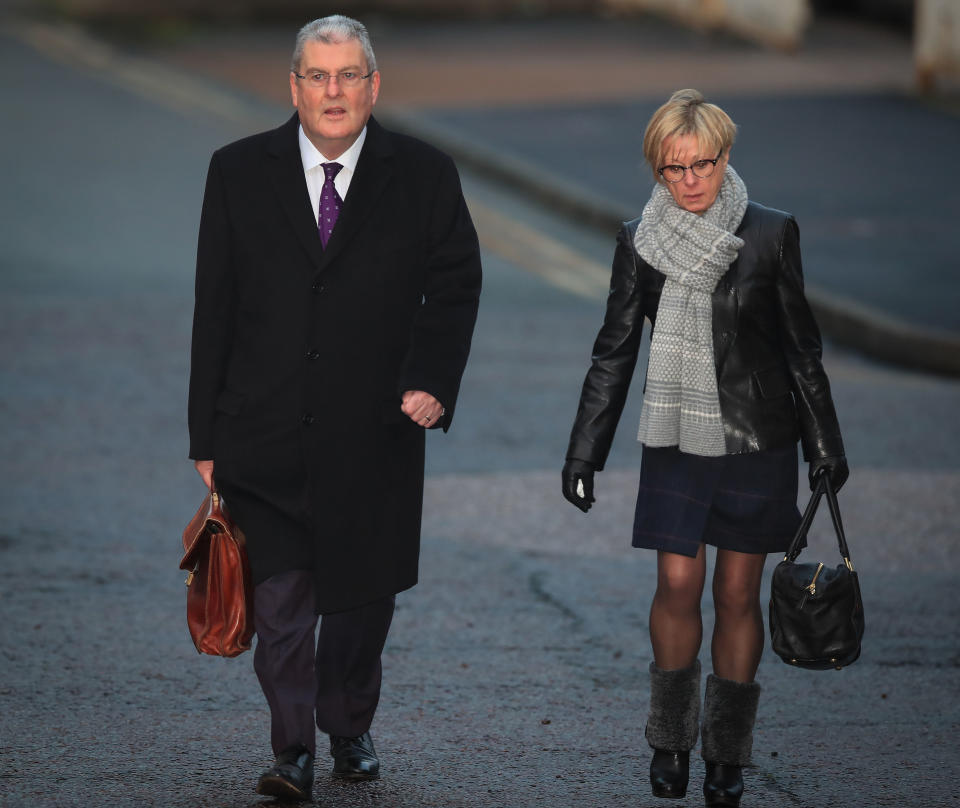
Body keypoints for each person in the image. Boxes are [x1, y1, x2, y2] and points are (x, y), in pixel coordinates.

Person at [188, 15, 481, 802]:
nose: (333, 91)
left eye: (348, 75)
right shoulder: (237, 171)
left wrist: (432, 380)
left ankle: (347, 723)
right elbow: (213, 306)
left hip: (374, 432)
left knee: (359, 602)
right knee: (281, 604)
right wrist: (204, 433)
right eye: (317, 76)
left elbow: (455, 284)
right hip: (264, 429)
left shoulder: (423, 174)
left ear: (373, 86)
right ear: (293, 86)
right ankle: (293, 754)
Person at [561, 89, 847, 808]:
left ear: (726, 156)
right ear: (657, 171)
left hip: (757, 440)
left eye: (703, 164)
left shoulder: (771, 235)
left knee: (735, 592)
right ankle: (669, 738)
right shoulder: (640, 240)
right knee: (679, 587)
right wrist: (583, 453)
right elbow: (614, 351)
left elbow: (801, 350)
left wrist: (826, 445)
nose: (690, 181)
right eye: (673, 169)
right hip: (677, 438)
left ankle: (726, 755)